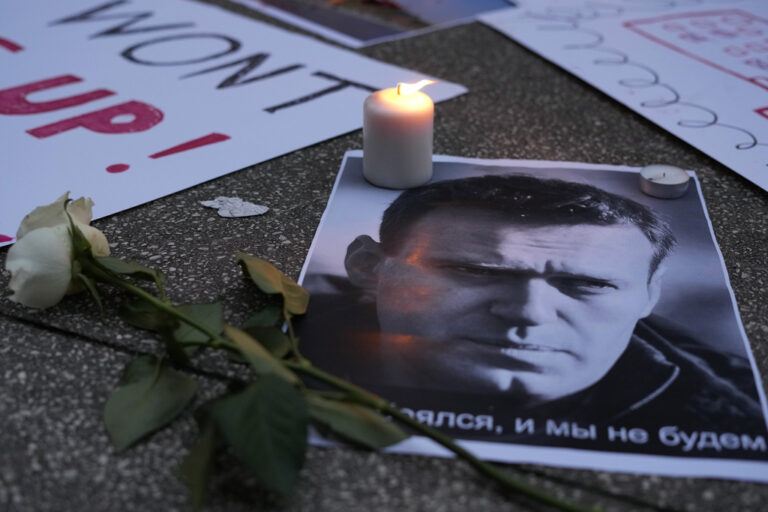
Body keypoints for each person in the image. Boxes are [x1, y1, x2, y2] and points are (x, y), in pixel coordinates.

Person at [298, 174, 766, 444]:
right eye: (477, 273)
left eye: (588, 285)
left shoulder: (737, 411)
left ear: (650, 296)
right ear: (369, 268)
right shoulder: (271, 337)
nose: (529, 313)